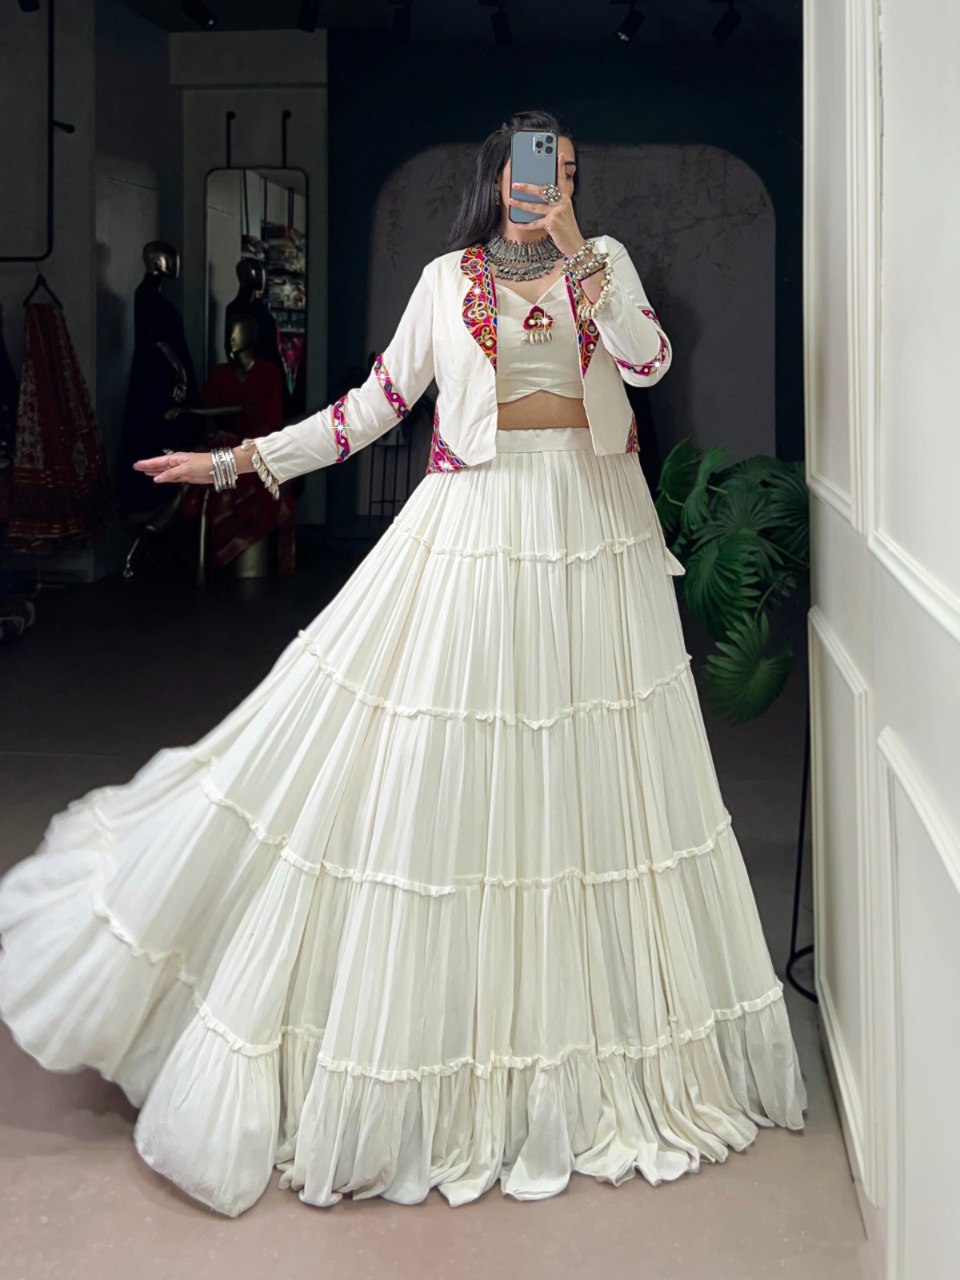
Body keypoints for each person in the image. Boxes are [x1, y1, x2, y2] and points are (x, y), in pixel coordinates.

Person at [0, 110, 807, 1218]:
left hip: (596, 541)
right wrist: (242, 456)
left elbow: (648, 359)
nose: (553, 184)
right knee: (447, 776)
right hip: (479, 532)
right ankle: (458, 1033)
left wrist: (580, 253)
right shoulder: (445, 280)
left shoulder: (605, 264)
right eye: (538, 169)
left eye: (570, 172)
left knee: (592, 787)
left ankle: (583, 1033)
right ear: (497, 177)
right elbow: (371, 411)